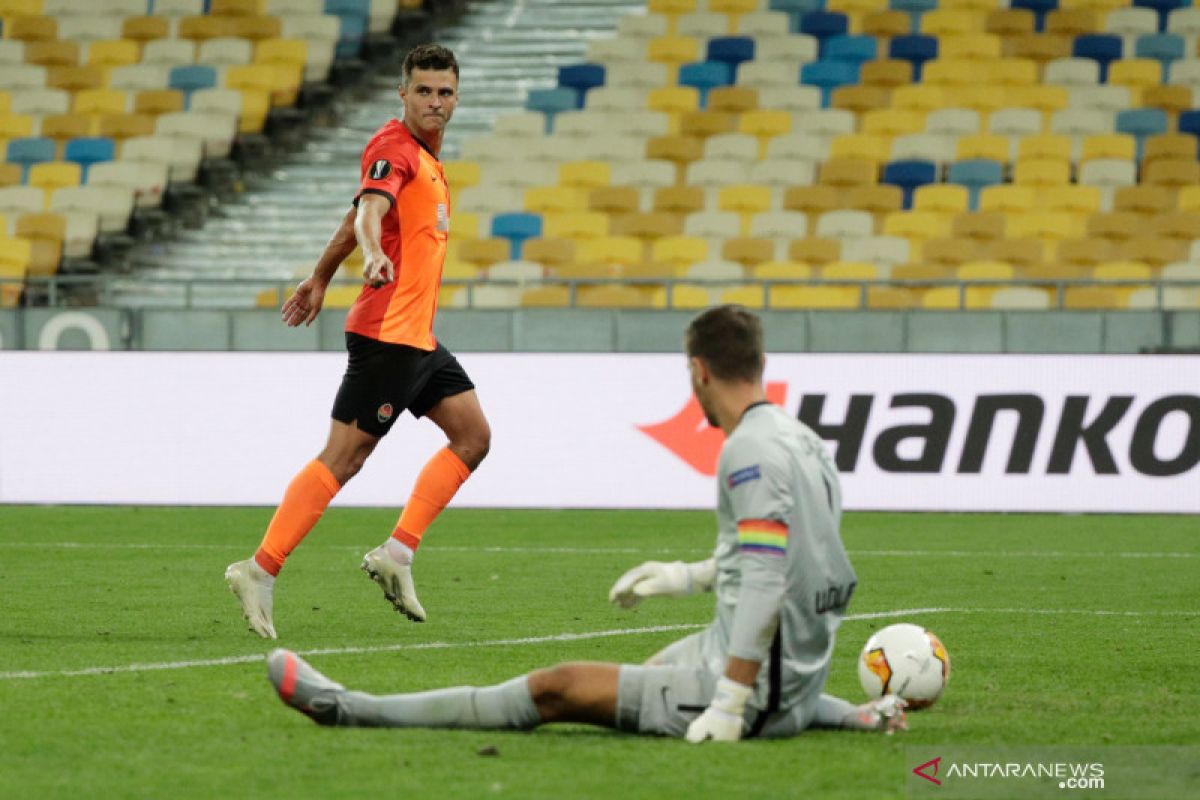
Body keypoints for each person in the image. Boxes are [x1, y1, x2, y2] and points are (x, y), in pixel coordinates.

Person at [263, 305, 907, 741]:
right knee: (644, 676)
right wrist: (685, 577)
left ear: (699, 371)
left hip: (754, 686)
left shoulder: (747, 452)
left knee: (556, 689)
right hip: (794, 675)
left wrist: (732, 704)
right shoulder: (801, 440)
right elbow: (806, 564)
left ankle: (347, 709)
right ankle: (844, 715)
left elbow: (768, 583)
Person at [225, 44, 490, 639]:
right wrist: (371, 256)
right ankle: (258, 571)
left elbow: (356, 217)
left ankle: (396, 555)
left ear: (457, 96)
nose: (435, 102)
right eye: (423, 90)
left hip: (416, 338)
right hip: (386, 335)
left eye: (445, 92)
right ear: (403, 93)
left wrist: (320, 276)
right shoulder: (393, 148)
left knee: (473, 437)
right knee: (343, 459)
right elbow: (369, 212)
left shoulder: (428, 161)